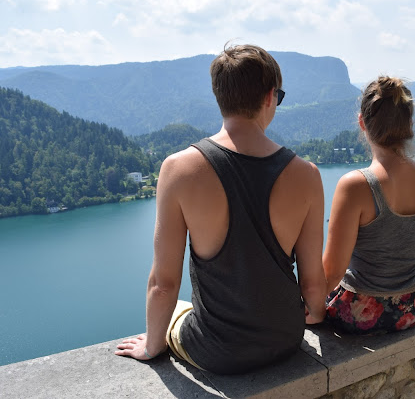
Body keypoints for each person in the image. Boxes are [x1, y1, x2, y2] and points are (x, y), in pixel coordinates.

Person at [115, 44, 327, 374]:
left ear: (219, 97)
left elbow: (163, 285)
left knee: (176, 310)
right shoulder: (308, 175)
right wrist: (317, 315)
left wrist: (151, 348)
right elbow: (313, 285)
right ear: (270, 97)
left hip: (218, 353)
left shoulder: (179, 169)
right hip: (287, 339)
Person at [322, 76, 415, 335]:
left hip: (360, 311)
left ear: (362, 123)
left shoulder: (355, 185)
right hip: (413, 305)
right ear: (408, 125)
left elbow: (331, 273)